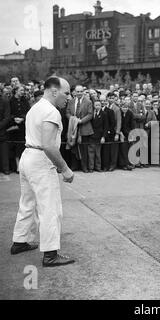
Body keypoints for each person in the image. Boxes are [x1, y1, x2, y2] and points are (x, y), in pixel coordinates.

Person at [11, 76, 75, 267]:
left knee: (27, 202)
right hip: (40, 160)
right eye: (66, 93)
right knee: (50, 207)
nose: (69, 97)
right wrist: (65, 169)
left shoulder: (35, 108)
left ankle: (19, 241)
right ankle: (50, 254)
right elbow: (48, 145)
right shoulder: (51, 111)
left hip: (28, 156)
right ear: (54, 91)